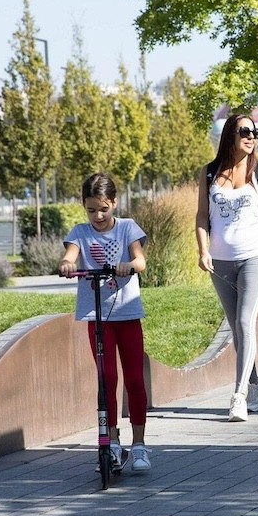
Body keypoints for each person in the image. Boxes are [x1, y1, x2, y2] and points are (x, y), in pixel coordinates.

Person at [195, 113, 258, 422]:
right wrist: (203, 250)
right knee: (236, 328)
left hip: (254, 256)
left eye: (254, 131)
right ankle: (256, 383)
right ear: (230, 136)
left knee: (245, 321)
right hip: (220, 261)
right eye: (244, 131)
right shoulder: (209, 173)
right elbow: (201, 216)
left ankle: (238, 396)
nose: (251, 136)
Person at [57, 173, 152, 473]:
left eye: (103, 209)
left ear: (113, 203)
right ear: (84, 207)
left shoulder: (127, 228)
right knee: (106, 379)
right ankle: (111, 442)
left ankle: (139, 445)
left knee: (134, 380)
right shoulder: (80, 233)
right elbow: (70, 254)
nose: (97, 216)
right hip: (97, 318)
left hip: (127, 314)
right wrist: (68, 264)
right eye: (91, 210)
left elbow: (141, 261)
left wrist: (129, 265)